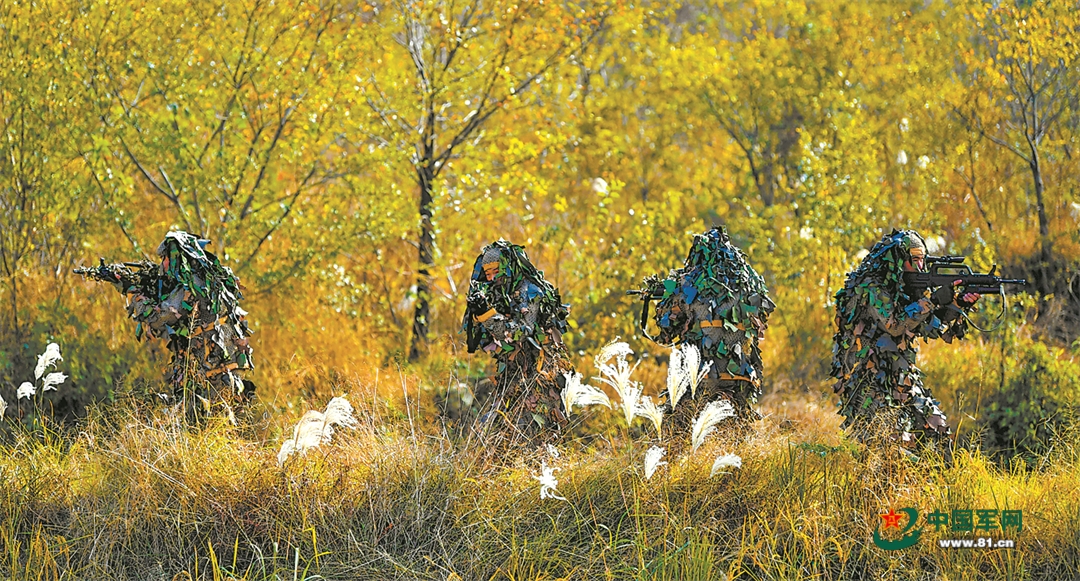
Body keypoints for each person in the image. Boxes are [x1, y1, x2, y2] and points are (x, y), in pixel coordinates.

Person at [831, 229, 979, 451]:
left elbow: (929, 326)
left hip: (902, 380)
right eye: (914, 260)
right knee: (884, 451)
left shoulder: (906, 290)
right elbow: (895, 325)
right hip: (872, 384)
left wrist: (957, 304)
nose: (920, 267)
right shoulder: (871, 286)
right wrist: (932, 299)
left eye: (923, 260)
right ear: (898, 260)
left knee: (936, 430)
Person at [81, 231, 254, 415]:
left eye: (165, 258)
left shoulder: (189, 286)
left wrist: (134, 294)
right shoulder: (210, 280)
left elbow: (158, 319)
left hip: (208, 370)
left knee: (200, 421)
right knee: (221, 421)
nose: (162, 264)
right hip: (225, 365)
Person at [639, 226, 775, 426]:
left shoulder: (690, 283)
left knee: (678, 426)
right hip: (740, 374)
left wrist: (664, 298)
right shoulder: (749, 285)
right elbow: (762, 318)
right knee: (738, 426)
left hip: (702, 374)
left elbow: (666, 330)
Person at [461, 240, 571, 439]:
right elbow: (482, 339)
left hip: (539, 373)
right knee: (497, 431)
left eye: (496, 271)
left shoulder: (530, 291)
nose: (493, 278)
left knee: (533, 434)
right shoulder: (500, 294)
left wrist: (488, 315)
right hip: (513, 374)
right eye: (488, 274)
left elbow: (521, 332)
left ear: (508, 266)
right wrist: (478, 314)